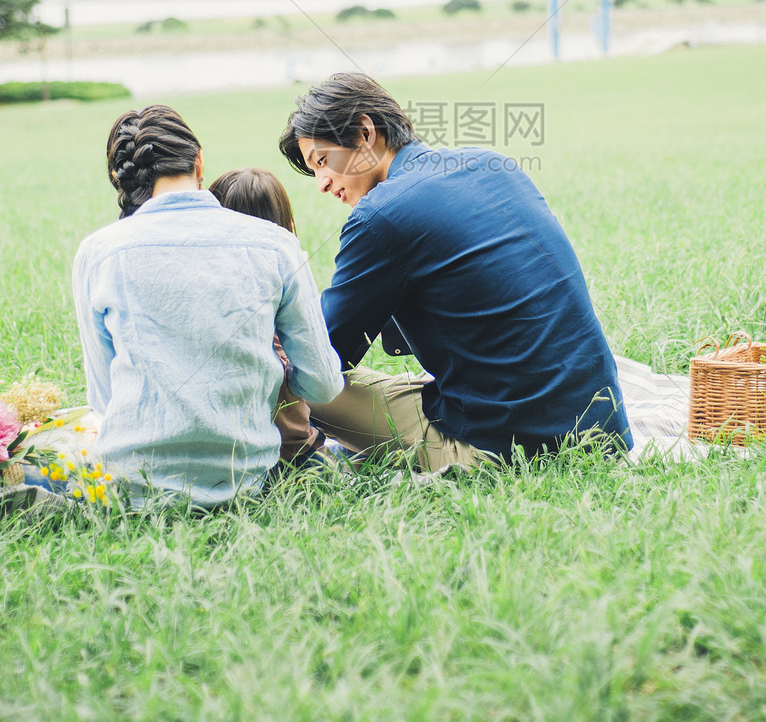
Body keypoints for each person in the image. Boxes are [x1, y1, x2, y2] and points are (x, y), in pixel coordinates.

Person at [278, 72, 632, 471]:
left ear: (364, 133)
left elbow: (322, 357)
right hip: (604, 426)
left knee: (286, 378)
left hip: (507, 448)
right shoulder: (493, 163)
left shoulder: (381, 215)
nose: (322, 183)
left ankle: (282, 465)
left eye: (322, 161)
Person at [72, 105, 343, 508]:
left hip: (133, 488)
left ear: (125, 179)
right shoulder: (275, 244)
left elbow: (104, 399)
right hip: (247, 482)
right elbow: (323, 383)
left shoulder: (97, 253)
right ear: (199, 162)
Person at [208, 166, 328, 467]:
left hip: (224, 452)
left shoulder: (208, 297)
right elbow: (318, 373)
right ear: (288, 227)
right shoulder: (287, 270)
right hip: (293, 451)